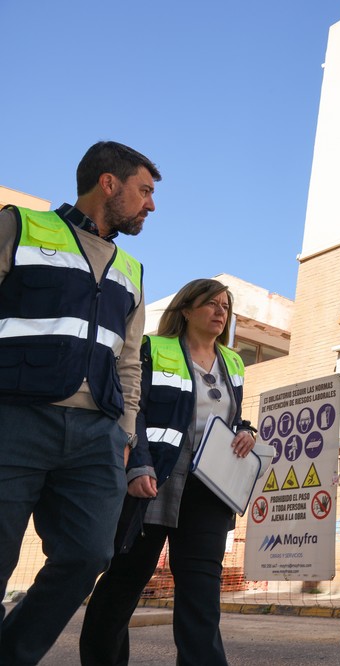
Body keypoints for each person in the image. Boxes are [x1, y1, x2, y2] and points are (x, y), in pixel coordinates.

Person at [0, 141, 158, 665]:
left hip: (96, 436)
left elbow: (129, 363)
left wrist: (126, 433)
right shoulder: (20, 226)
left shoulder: (131, 270)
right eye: (144, 191)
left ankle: (13, 652)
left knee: (91, 553)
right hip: (15, 418)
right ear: (108, 184)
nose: (150, 206)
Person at [79, 279, 256, 666]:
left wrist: (246, 430)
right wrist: (138, 463)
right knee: (126, 580)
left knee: (201, 592)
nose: (220, 311)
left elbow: (233, 416)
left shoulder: (235, 362)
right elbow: (133, 408)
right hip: (154, 479)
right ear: (186, 309)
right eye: (210, 303)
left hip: (210, 488)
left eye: (225, 306)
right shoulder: (153, 349)